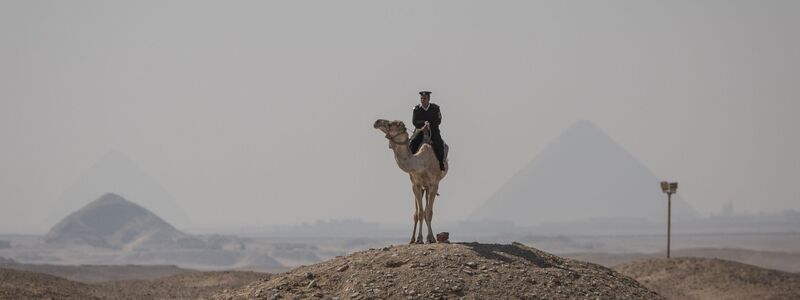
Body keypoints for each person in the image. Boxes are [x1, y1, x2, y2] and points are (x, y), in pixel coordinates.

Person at [409, 91, 446, 171]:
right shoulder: (416, 109)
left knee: (438, 143)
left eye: (424, 98)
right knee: (413, 142)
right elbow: (414, 121)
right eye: (421, 98)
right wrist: (423, 123)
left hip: (433, 130)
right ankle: (410, 161)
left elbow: (438, 120)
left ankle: (441, 162)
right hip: (420, 130)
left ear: (428, 99)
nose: (423, 100)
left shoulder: (435, 108)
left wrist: (429, 124)